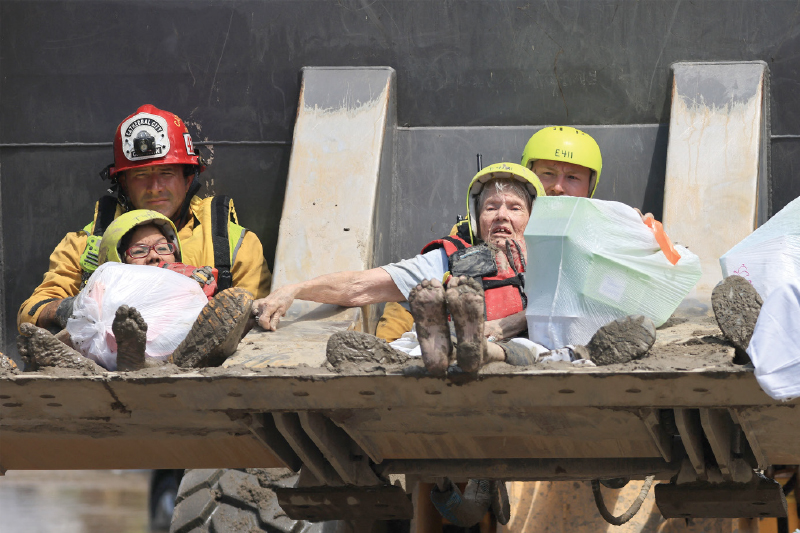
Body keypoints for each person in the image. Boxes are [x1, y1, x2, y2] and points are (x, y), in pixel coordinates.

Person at [253, 162, 655, 376]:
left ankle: (470, 345)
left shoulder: (559, 255)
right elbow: (360, 287)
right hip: (445, 351)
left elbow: (623, 284)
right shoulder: (451, 258)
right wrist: (294, 288)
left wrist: (637, 232)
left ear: (534, 217)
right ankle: (426, 344)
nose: (501, 217)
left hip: (522, 352)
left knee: (534, 350)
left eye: (514, 208)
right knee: (413, 337)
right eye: (490, 208)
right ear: (475, 216)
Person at [17, 104, 271, 335]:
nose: (155, 187)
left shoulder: (234, 243)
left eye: (166, 172)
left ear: (188, 178)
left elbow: (260, 315)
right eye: (140, 175)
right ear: (123, 183)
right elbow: (31, 313)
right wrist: (83, 307)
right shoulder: (85, 245)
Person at [376, 125, 604, 344]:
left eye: (573, 177)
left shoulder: (601, 237)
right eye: (547, 173)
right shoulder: (474, 233)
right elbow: (416, 283)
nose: (557, 187)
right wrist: (389, 345)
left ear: (589, 188)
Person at [18, 210, 253, 372]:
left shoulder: (195, 280)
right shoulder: (105, 284)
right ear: (118, 261)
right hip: (107, 352)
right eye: (139, 251)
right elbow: (36, 310)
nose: (154, 255)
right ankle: (68, 358)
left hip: (181, 353)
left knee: (221, 316)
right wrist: (78, 309)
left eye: (163, 247)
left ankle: (148, 362)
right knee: (84, 333)